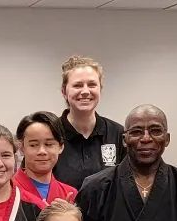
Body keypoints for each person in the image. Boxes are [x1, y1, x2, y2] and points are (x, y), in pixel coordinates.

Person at [54, 56, 125, 190]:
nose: (85, 91)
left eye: (92, 85)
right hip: (61, 210)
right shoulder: (50, 133)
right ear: (64, 92)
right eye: (77, 85)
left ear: (100, 89)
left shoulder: (118, 133)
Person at [14, 112, 77, 208]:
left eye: (49, 144)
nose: (42, 151)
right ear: (22, 148)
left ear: (61, 147)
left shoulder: (70, 194)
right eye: (33, 145)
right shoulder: (7, 190)